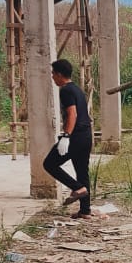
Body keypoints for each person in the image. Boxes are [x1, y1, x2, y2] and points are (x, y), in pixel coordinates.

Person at [43, 59, 93, 214]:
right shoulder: (77, 89)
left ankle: (78, 188)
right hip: (86, 135)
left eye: (53, 74)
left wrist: (66, 136)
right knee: (82, 171)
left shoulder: (65, 90)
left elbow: (72, 114)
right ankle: (85, 211)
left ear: (59, 74)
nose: (52, 77)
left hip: (75, 136)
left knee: (49, 164)